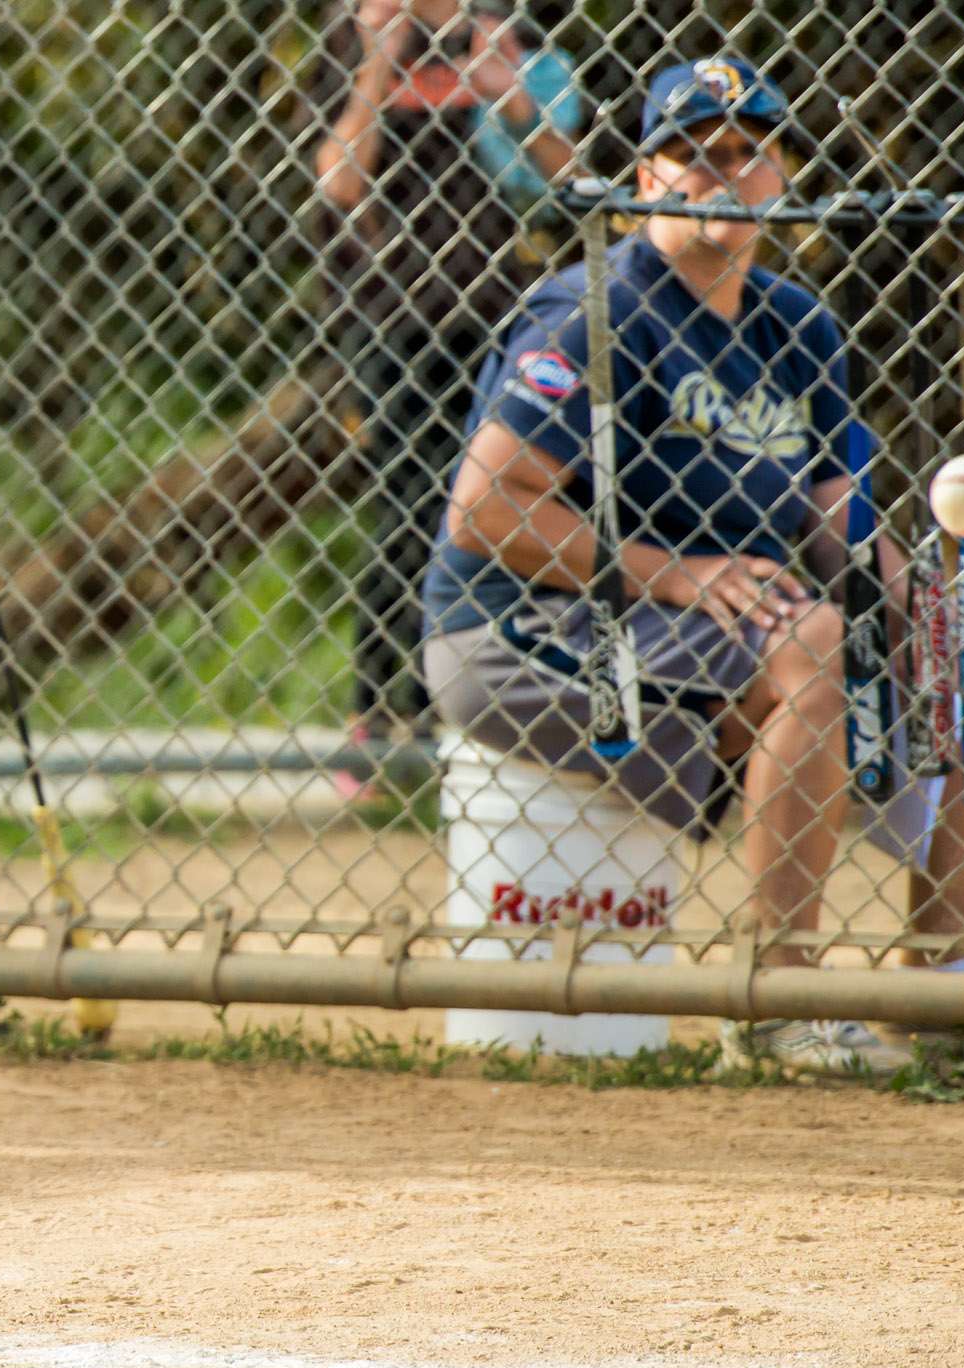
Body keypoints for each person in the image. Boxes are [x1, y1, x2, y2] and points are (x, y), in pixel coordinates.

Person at [421, 60, 964, 1073]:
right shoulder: (595, 313)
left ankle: (943, 984)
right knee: (809, 645)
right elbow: (484, 512)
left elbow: (835, 521)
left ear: (780, 175)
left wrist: (917, 601)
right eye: (693, 150)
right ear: (646, 176)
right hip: (525, 629)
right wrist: (677, 574)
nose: (722, 171)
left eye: (748, 150)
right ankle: (779, 996)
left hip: (692, 638)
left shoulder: (796, 324)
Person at [313, 0, 584, 796]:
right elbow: (340, 178)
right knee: (403, 501)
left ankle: (455, 708)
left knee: (489, 504)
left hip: (492, 306)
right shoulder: (352, 36)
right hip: (386, 307)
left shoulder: (509, 43)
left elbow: (567, 176)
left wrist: (510, 96)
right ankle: (378, 715)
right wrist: (378, 61)